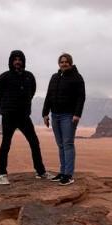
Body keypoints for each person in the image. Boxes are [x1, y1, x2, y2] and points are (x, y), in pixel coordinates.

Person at [0, 49, 47, 184]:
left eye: (20, 59)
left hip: (23, 116)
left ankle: (40, 171)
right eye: (15, 59)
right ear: (11, 61)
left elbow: (32, 92)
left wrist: (25, 105)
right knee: (6, 144)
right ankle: (1, 174)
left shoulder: (29, 76)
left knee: (34, 142)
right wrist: (5, 108)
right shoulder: (3, 77)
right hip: (9, 116)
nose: (17, 62)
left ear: (23, 61)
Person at [42, 52, 85, 185]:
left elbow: (81, 97)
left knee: (68, 144)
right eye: (62, 62)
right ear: (59, 64)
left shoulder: (77, 77)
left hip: (68, 116)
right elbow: (49, 95)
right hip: (55, 115)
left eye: (66, 62)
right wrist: (45, 113)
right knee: (60, 145)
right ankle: (62, 172)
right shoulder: (54, 77)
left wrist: (77, 114)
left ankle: (69, 174)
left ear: (70, 63)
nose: (64, 64)